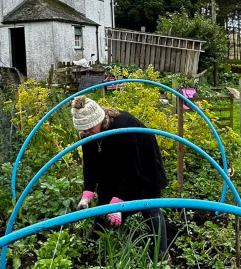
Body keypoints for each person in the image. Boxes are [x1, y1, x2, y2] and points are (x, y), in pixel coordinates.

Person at [70, 95, 169, 257]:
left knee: (149, 206)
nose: (87, 133)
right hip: (114, 166)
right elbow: (90, 164)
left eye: (89, 128)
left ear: (100, 119)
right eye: (83, 130)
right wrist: (87, 193)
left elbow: (133, 171)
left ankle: (162, 255)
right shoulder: (88, 134)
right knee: (104, 202)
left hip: (144, 166)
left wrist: (118, 204)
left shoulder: (123, 129)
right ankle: (92, 247)